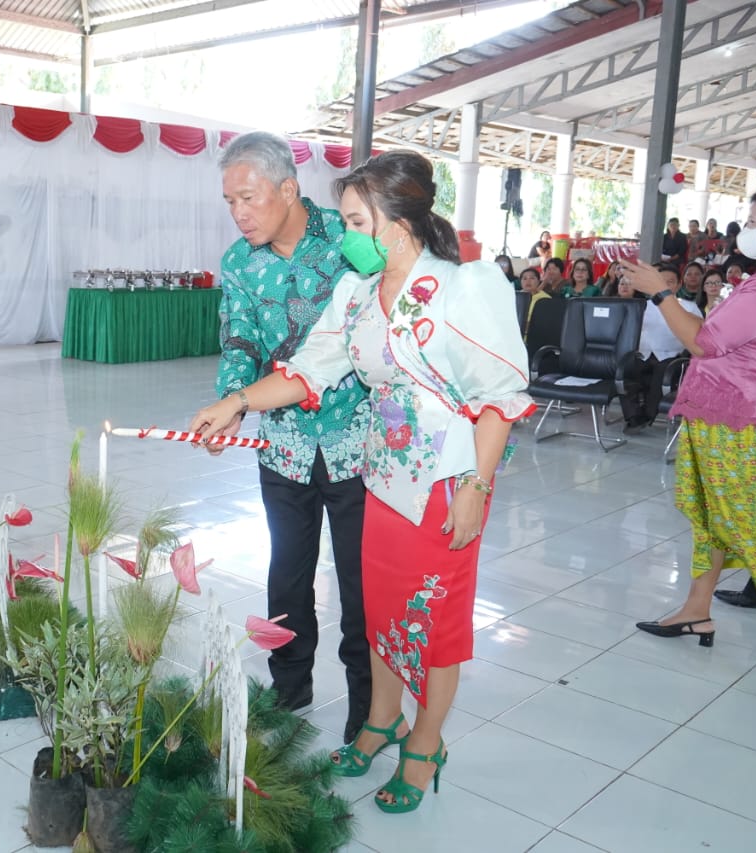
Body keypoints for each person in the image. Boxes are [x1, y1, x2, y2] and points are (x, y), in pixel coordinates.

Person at [192, 150, 534, 813]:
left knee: (431, 621)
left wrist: (476, 486)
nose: (344, 233)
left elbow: (502, 396)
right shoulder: (356, 291)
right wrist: (237, 403)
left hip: (444, 480)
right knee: (379, 610)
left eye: (354, 219)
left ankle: (426, 741)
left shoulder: (465, 286)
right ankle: (382, 718)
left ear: (396, 219)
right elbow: (307, 370)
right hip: (381, 477)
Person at [618, 182, 756, 676]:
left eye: (752, 223)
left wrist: (660, 292)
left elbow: (704, 343)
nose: (745, 232)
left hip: (748, 426)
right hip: (734, 418)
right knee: (714, 519)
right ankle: (696, 612)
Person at [214, 131, 372, 742]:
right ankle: (290, 684)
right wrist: (232, 403)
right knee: (287, 571)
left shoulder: (348, 238)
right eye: (230, 202)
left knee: (359, 579)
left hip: (357, 438)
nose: (240, 213)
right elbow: (240, 342)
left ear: (288, 187)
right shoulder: (238, 262)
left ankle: (367, 702)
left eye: (249, 198)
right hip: (282, 440)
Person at [620, 264, 698, 434]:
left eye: (670, 282)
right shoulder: (642, 306)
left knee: (661, 373)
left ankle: (648, 415)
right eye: (660, 281)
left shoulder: (688, 307)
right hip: (644, 353)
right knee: (623, 370)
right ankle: (633, 416)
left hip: (673, 356)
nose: (664, 285)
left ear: (678, 285)